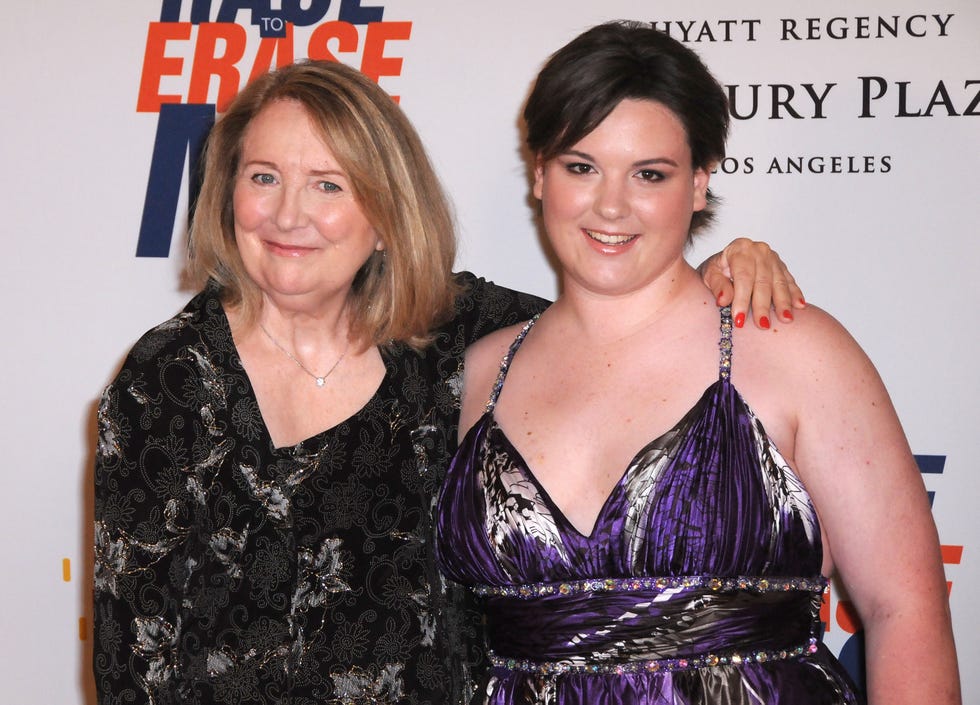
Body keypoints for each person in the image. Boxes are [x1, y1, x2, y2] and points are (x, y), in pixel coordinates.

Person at [93, 58, 804, 704]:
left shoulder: (461, 334)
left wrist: (730, 262)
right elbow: (131, 660)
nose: (288, 215)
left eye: (328, 185)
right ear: (228, 193)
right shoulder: (166, 377)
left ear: (383, 212)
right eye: (264, 177)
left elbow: (621, 317)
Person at [435, 21, 959, 705]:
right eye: (581, 166)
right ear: (539, 173)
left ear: (700, 182)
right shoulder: (479, 373)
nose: (612, 205)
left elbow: (904, 608)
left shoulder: (794, 351)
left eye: (649, 173)